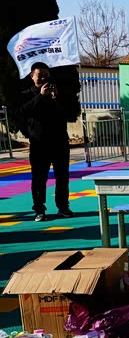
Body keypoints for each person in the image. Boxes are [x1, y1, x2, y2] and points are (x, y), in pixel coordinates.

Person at [18, 62, 74, 222]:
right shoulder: (27, 95)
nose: (43, 78)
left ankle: (63, 206)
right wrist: (40, 96)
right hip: (39, 143)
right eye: (40, 75)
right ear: (32, 76)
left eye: (46, 75)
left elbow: (70, 114)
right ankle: (39, 209)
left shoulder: (58, 93)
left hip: (60, 142)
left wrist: (57, 98)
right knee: (39, 178)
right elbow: (23, 112)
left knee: (62, 177)